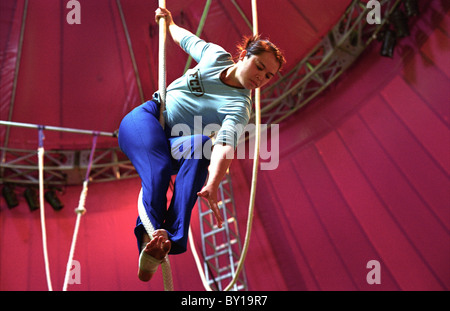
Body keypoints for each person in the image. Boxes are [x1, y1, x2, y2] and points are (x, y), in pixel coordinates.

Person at [118, 7, 285, 282]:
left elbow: (224, 146)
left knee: (202, 145)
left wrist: (213, 182)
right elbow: (186, 40)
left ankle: (164, 242)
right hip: (145, 121)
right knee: (158, 170)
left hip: (174, 144)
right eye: (260, 66)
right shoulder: (216, 56)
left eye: (268, 76)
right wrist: (169, 24)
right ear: (244, 56)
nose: (261, 77)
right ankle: (148, 236)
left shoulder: (240, 107)